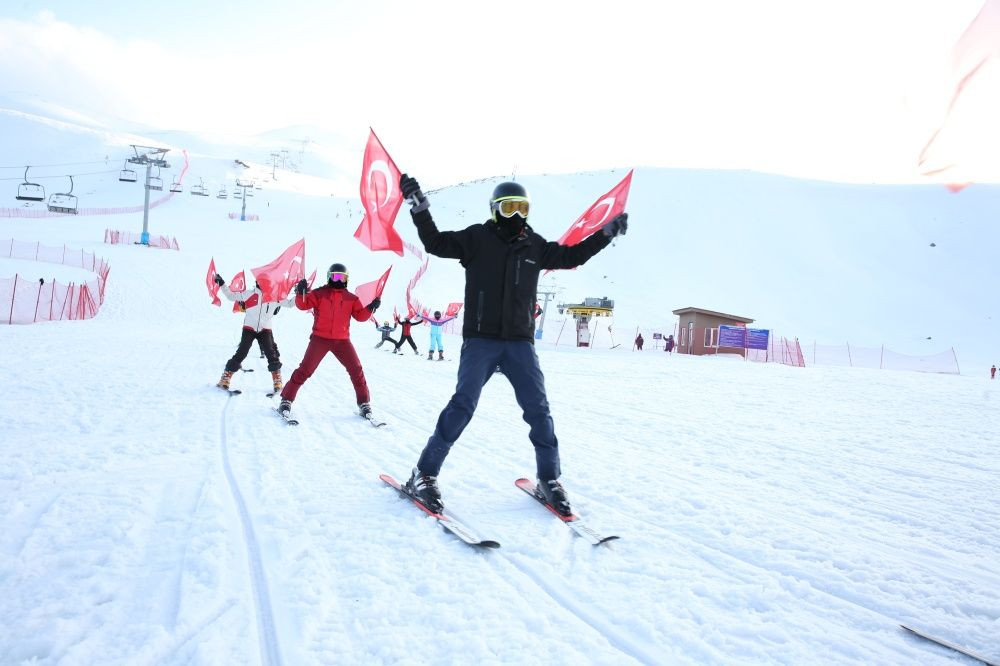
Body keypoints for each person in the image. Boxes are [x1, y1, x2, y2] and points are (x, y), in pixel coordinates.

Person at [398, 174, 627, 515]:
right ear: (495, 211)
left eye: (522, 208)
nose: (516, 215)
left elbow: (572, 256)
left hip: (519, 344)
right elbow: (434, 242)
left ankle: (549, 479)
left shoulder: (535, 245)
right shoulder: (476, 238)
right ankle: (425, 473)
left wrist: (604, 235)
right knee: (462, 406)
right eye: (508, 208)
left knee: (539, 411)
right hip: (481, 341)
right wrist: (419, 207)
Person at [277, 263, 381, 421]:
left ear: (347, 279)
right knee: (305, 370)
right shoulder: (319, 293)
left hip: (342, 341)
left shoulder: (351, 298)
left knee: (356, 370)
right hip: (320, 339)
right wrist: (300, 292)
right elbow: (303, 305)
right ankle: (286, 399)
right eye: (335, 276)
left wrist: (371, 308)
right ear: (329, 277)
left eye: (342, 277)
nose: (338, 279)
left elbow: (360, 316)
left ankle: (364, 403)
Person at [214, 274, 293, 393]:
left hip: (265, 329)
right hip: (249, 328)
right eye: (261, 282)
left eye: (266, 283)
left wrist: (301, 293)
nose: (263, 285)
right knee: (242, 351)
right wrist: (222, 284)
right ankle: (225, 378)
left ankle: (277, 379)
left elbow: (290, 304)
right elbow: (230, 296)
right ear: (257, 283)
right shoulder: (249, 294)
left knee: (271, 353)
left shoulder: (274, 297)